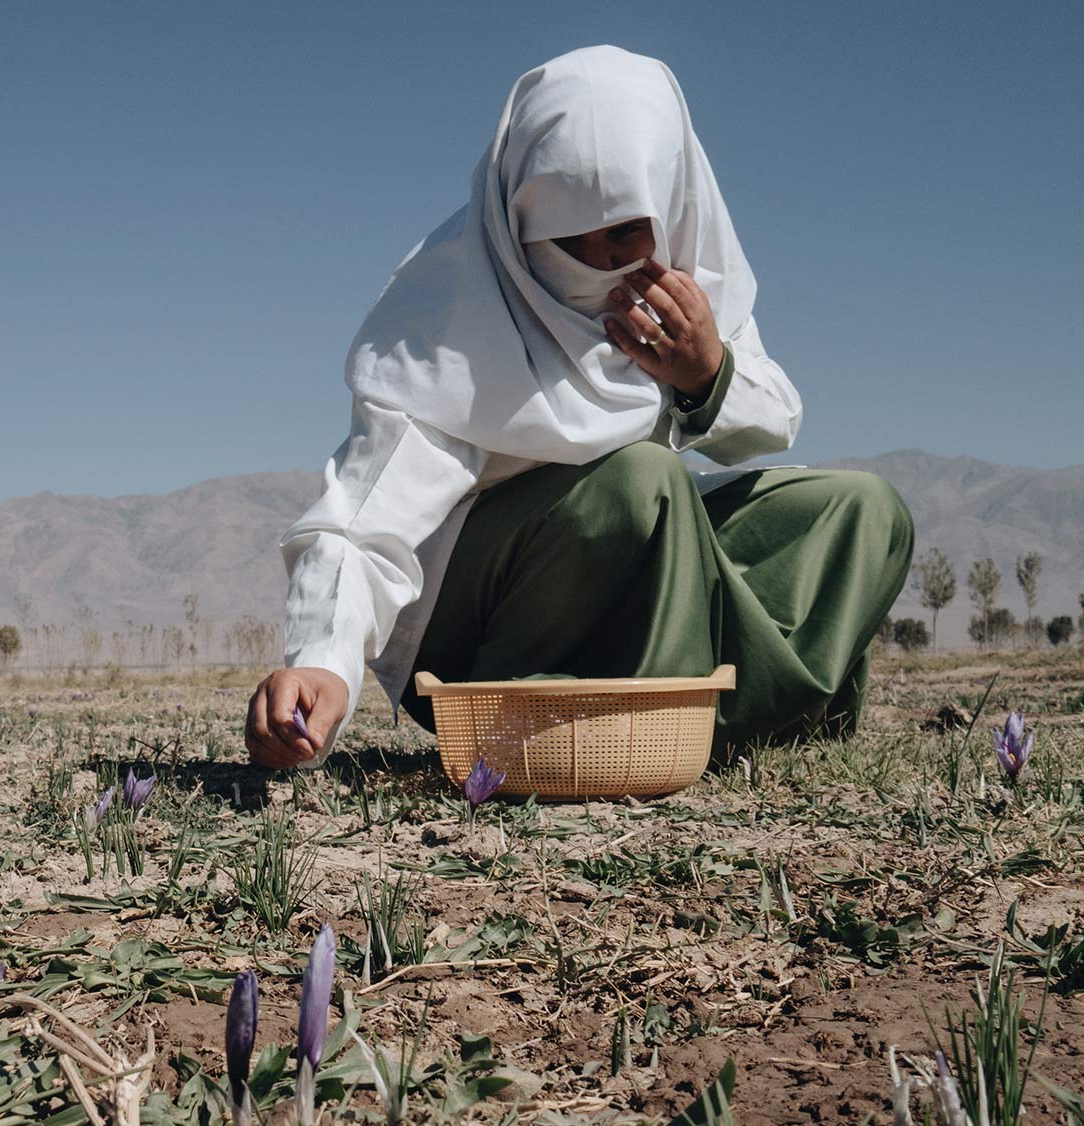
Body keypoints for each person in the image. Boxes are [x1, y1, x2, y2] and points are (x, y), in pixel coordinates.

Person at [247, 46, 913, 770]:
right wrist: (322, 661)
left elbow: (774, 417)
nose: (602, 263)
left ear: (670, 204)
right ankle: (635, 730)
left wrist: (703, 371)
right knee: (641, 481)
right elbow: (362, 520)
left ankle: (736, 714)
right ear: (516, 222)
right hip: (480, 626)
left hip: (647, 549)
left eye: (627, 231)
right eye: (569, 241)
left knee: (860, 510)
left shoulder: (684, 278)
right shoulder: (452, 316)